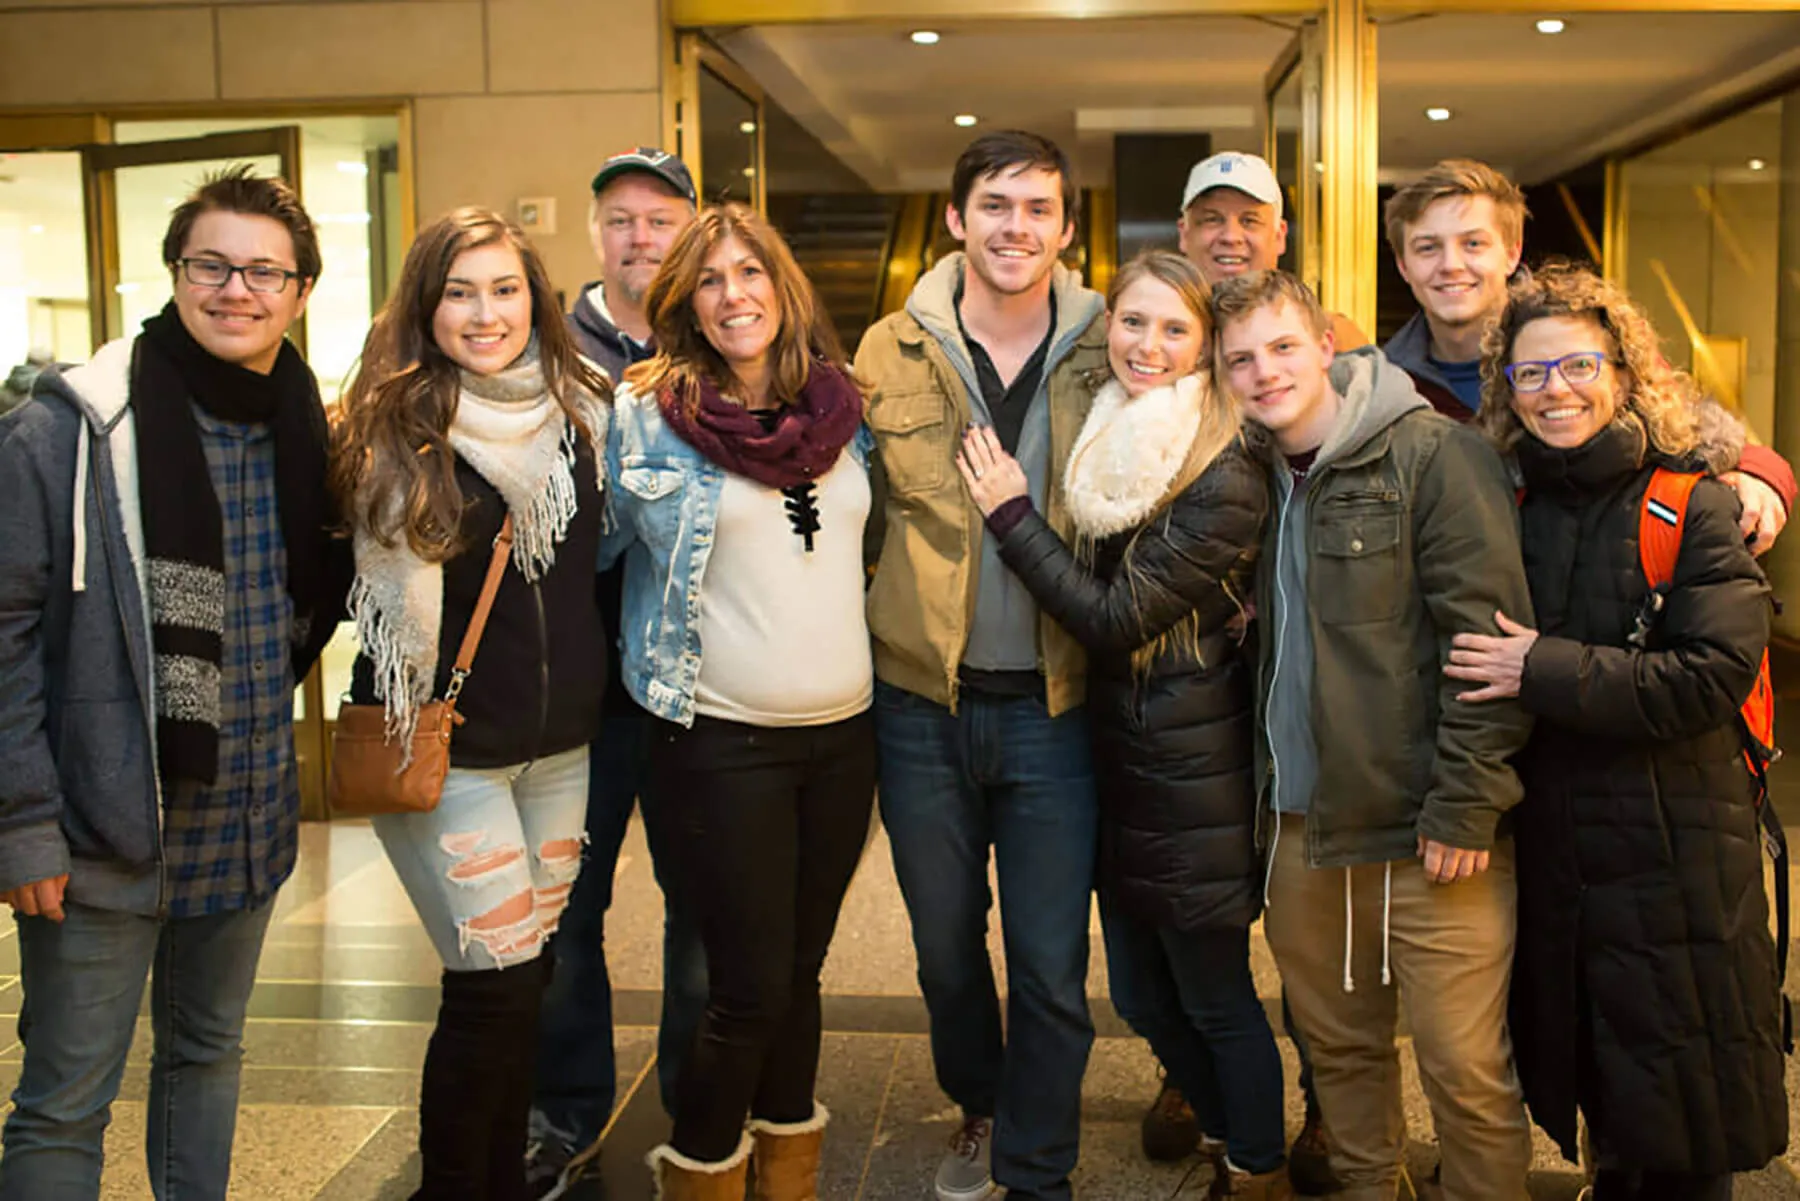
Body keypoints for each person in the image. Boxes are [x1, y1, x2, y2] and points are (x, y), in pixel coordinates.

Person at [0, 166, 349, 1200]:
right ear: (172, 272)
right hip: (100, 822)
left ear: (298, 291)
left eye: (263, 271)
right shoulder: (70, 428)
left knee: (206, 1059)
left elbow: (308, 598)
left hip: (242, 812)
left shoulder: (304, 427)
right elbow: (6, 632)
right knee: (65, 1101)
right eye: (212, 264)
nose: (235, 289)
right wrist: (22, 821)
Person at [1450, 263, 1786, 1201]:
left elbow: (1714, 675)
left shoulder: (1692, 500)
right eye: (1531, 374)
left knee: (1684, 1098)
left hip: (1677, 848)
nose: (1556, 390)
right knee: (1607, 1077)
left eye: (1578, 366)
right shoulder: (1506, 503)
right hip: (1563, 847)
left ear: (1626, 374)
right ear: (1506, 392)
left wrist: (1539, 667)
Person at [957, 250, 1289, 1198]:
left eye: (1175, 329)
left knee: (1216, 996)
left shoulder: (1222, 465)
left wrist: (1012, 516)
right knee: (1142, 993)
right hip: (1122, 757)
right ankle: (1227, 1129)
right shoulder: (1110, 429)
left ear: (1207, 349)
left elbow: (1111, 617)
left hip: (1192, 768)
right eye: (1133, 321)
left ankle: (1257, 1165)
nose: (1148, 344)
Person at [1213, 269, 1536, 1201]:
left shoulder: (1436, 455)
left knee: (1465, 1072)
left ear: (1326, 345)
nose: (1265, 372)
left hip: (1428, 831)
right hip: (1305, 833)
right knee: (1341, 1056)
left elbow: (1489, 651)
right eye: (1240, 359)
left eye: (1281, 347)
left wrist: (1467, 808)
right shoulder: (1246, 477)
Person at [331, 206, 612, 1201]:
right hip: (447, 754)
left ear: (537, 298)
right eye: (460, 291)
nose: (485, 312)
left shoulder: (583, 412)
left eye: (505, 288)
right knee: (492, 990)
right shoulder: (388, 425)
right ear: (426, 304)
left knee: (525, 987)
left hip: (562, 754)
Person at [605, 203, 876, 1201]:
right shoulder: (643, 417)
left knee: (800, 972)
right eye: (711, 280)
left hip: (846, 742)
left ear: (783, 285)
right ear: (684, 302)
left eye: (751, 272)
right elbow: (583, 558)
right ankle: (704, 1172)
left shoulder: (848, 408)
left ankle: (787, 1175)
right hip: (720, 745)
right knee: (748, 986)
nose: (735, 295)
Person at [855, 129, 1107, 1201]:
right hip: (921, 705)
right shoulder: (886, 350)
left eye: (1039, 208)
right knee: (947, 948)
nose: (1018, 227)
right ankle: (981, 1101)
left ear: (1064, 226)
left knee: (1051, 966)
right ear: (956, 219)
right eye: (996, 205)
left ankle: (1037, 1166)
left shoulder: (1111, 346)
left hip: (1060, 708)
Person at [1168, 147, 1348, 1195]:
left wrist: (1756, 468)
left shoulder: (1340, 350)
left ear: (1281, 235)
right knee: (1197, 905)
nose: (1230, 235)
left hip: (1301, 690)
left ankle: (1327, 1102)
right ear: (1182, 235)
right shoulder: (1150, 342)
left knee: (1314, 926)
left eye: (1252, 219)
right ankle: (1200, 1082)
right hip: (1191, 701)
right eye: (1210, 219)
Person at [529, 145, 708, 1199]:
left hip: (694, 686)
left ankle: (697, 1104)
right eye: (621, 219)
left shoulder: (725, 331)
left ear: (692, 228)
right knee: (565, 911)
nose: (640, 237)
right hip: (575, 686)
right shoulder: (544, 342)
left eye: (660, 219)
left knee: (702, 909)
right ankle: (565, 1113)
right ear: (595, 231)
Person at [1381, 158, 1794, 554]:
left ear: (1511, 252)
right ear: (1402, 265)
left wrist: (1760, 476)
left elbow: (1685, 426)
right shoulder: (1388, 388)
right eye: (1427, 248)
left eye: (1473, 243)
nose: (1451, 265)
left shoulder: (1592, 343)